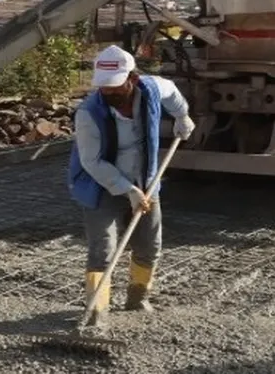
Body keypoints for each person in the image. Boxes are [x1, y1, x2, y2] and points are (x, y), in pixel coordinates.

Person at [67, 45, 196, 327]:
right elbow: (92, 162)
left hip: (146, 182)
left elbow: (172, 92)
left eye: (114, 86)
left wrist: (182, 115)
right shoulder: (88, 113)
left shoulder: (151, 88)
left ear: (133, 79)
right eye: (104, 87)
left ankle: (138, 299)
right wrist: (128, 191)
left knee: (150, 245)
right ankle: (97, 312)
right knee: (103, 249)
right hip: (103, 185)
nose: (108, 92)